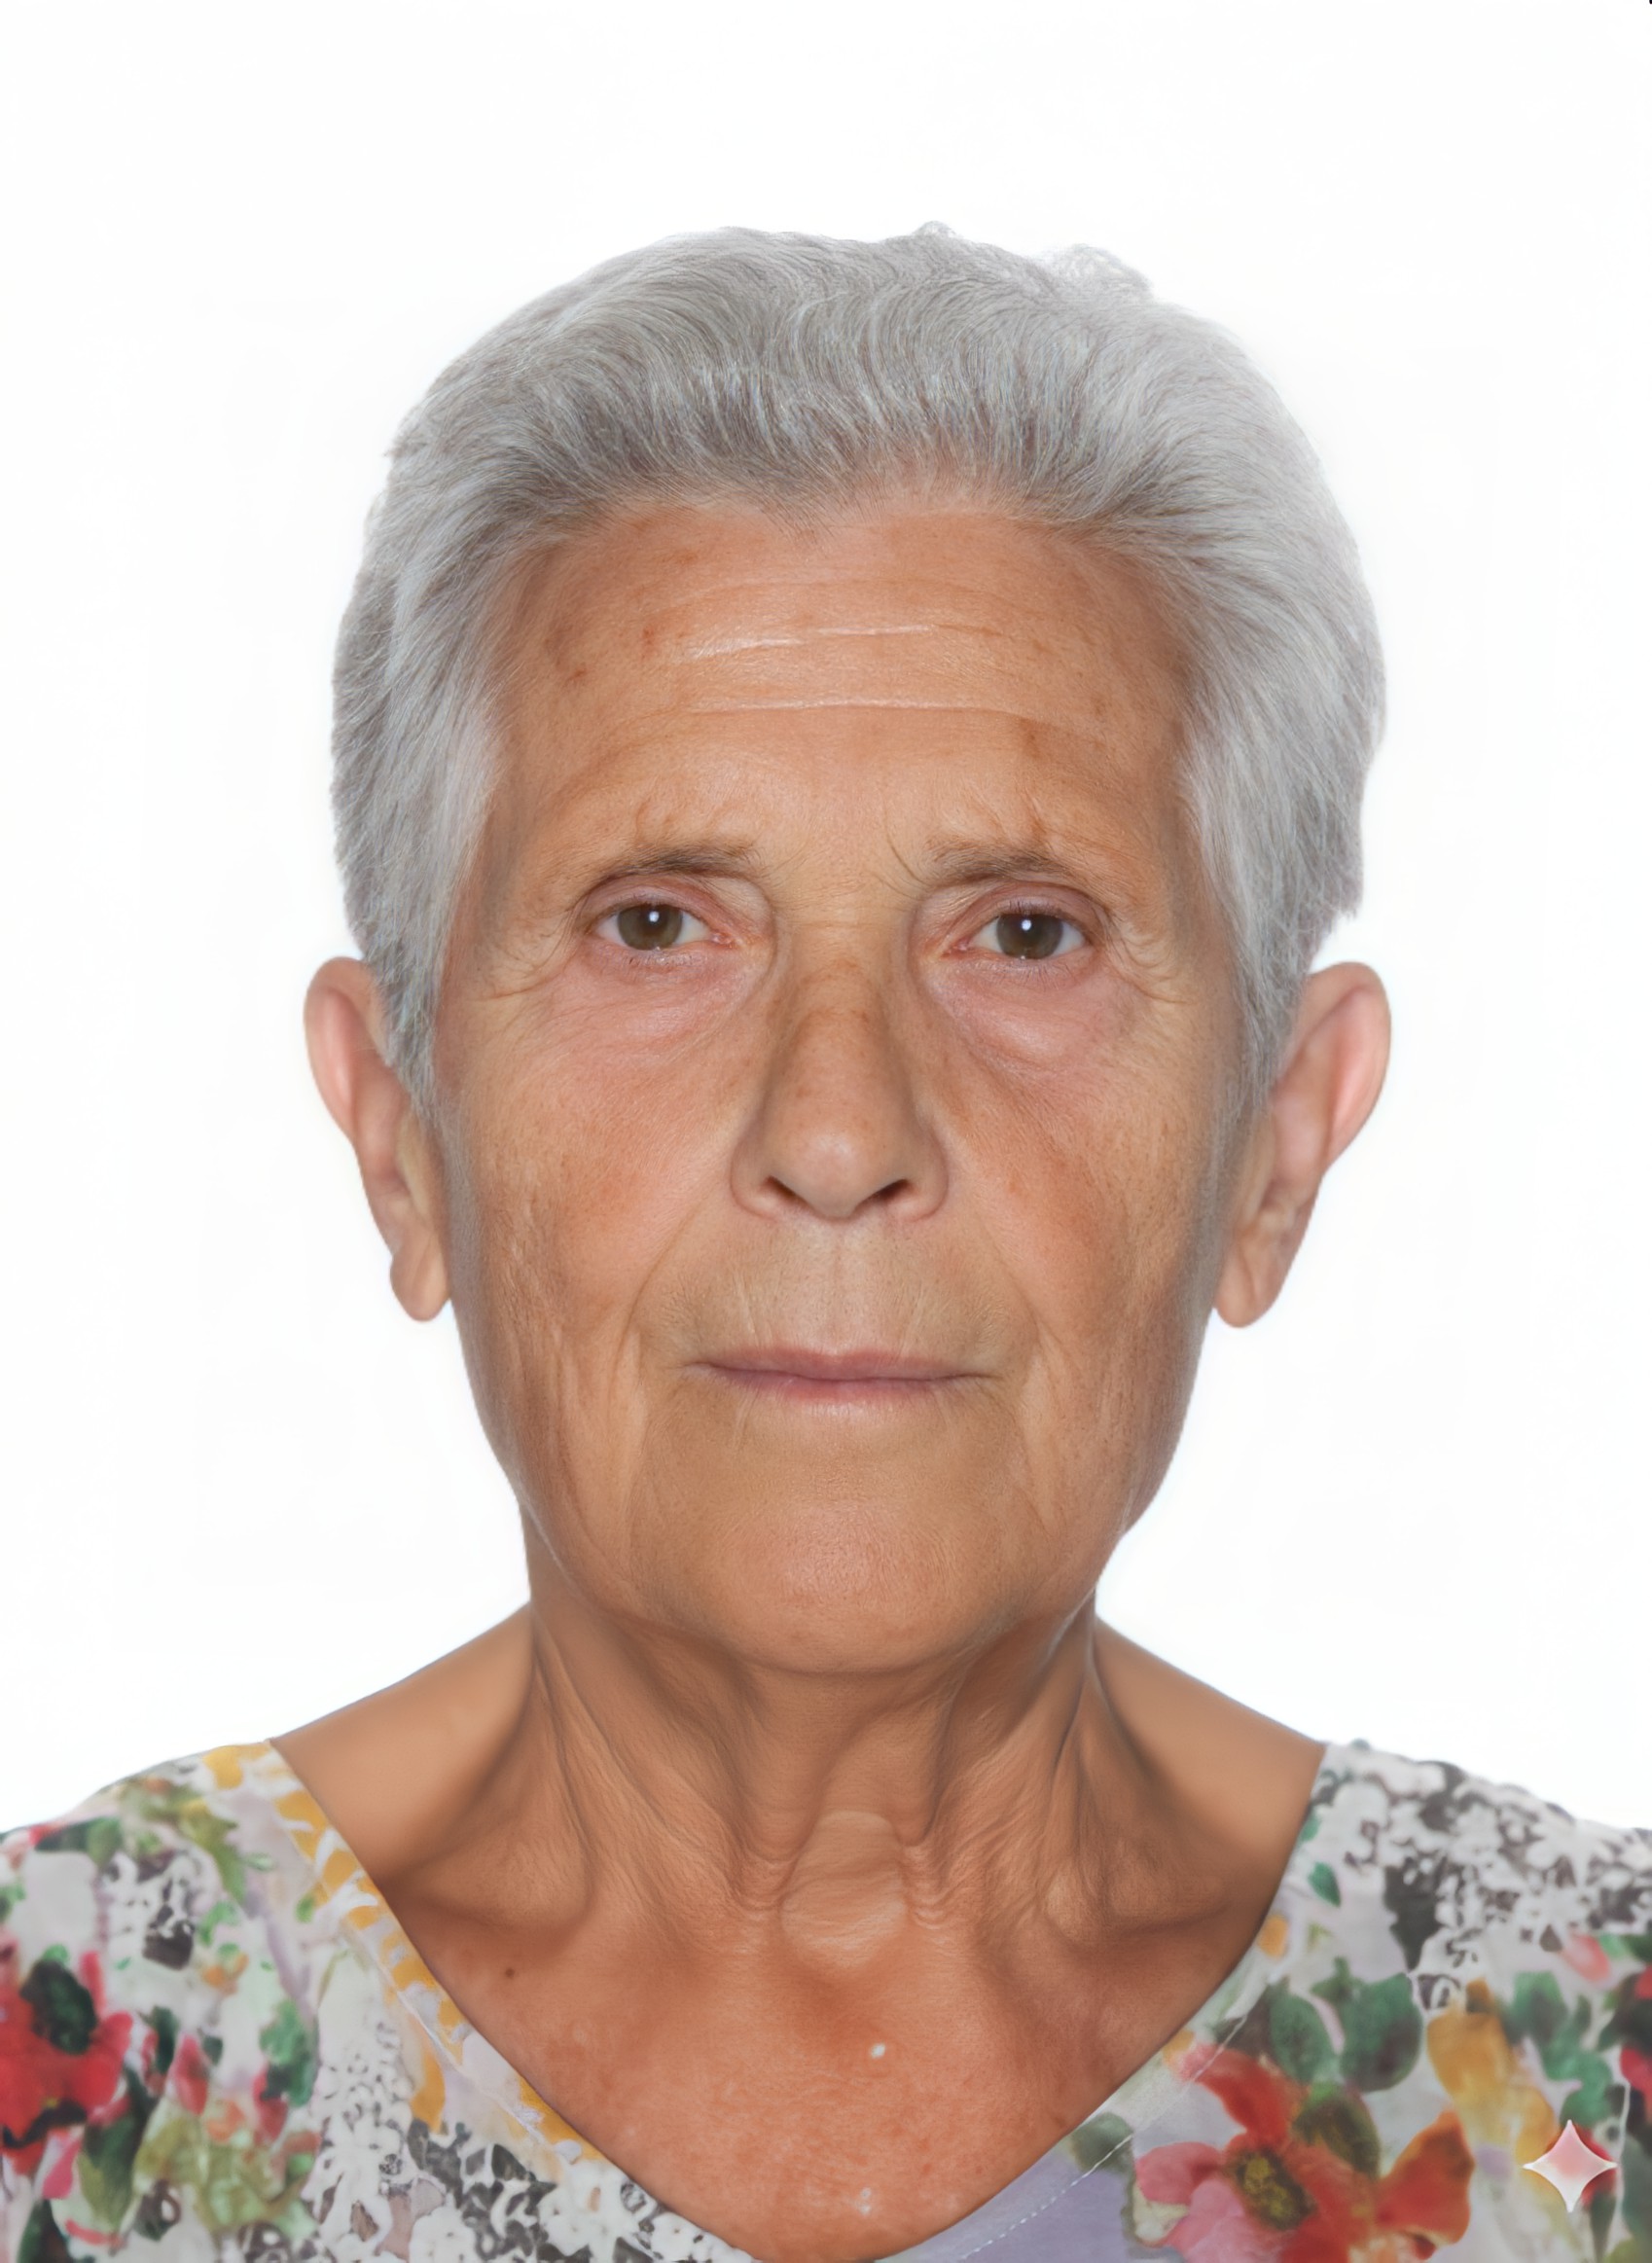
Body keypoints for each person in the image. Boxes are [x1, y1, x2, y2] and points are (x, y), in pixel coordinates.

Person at [2, 228, 1647, 2263]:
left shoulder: (1589, 2069)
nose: (841, 1130)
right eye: (655, 925)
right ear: (401, 1132)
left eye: (1026, 932)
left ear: (1275, 1146)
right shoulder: (66, 2059)